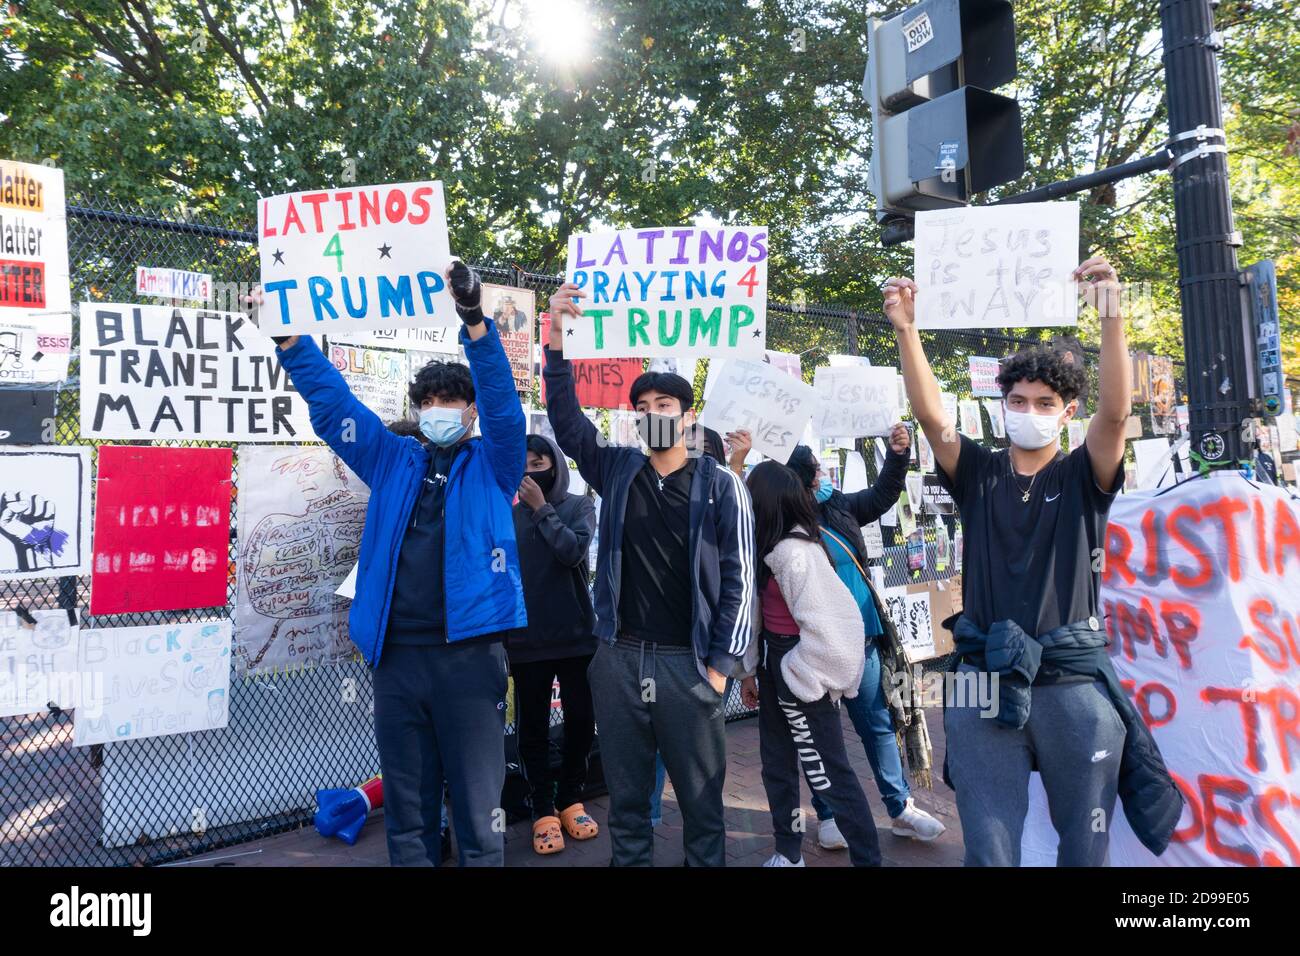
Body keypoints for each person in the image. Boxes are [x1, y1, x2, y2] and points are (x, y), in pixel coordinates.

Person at [883, 258, 1182, 866]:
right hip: (981, 682)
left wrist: (1111, 310)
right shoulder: (978, 473)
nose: (1029, 409)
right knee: (988, 849)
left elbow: (1117, 415)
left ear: (1067, 411)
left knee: (1085, 847)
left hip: (1072, 683)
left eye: (1045, 401)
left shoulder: (1083, 475)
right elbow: (932, 417)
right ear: (1002, 403)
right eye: (1017, 399)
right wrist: (906, 329)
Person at [257, 262, 526, 867]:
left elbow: (507, 407)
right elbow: (334, 410)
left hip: (470, 659)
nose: (437, 409)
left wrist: (473, 321)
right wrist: (291, 342)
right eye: (427, 400)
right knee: (408, 816)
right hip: (397, 660)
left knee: (483, 819)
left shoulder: (496, 462)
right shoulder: (391, 459)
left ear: (470, 411)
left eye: (450, 400)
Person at [543, 280, 755, 867]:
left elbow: (739, 581)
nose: (652, 414)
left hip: (686, 664)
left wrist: (719, 670)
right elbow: (567, 421)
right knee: (627, 804)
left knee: (702, 808)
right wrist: (556, 338)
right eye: (642, 407)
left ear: (686, 417)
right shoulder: (616, 469)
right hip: (617, 658)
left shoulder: (720, 484)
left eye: (664, 406)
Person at [780, 429, 945, 848]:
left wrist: (898, 454)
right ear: (804, 478)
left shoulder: (839, 506)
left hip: (865, 640)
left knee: (877, 725)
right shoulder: (779, 523)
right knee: (822, 737)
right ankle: (829, 816)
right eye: (816, 469)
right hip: (814, 648)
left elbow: (883, 494)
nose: (823, 473)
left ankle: (901, 808)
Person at [738, 461, 882, 867]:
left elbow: (838, 627)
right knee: (778, 767)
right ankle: (788, 851)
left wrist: (797, 674)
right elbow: (757, 619)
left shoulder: (797, 553)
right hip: (775, 663)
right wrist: (752, 671)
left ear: (766, 503)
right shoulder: (769, 549)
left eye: (751, 496)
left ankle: (868, 860)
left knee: (829, 775)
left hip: (798, 668)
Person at [509, 433, 600, 855]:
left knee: (582, 720)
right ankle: (542, 807)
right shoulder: (505, 511)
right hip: (526, 637)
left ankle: (570, 797)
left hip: (577, 634)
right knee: (533, 726)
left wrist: (541, 509)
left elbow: (571, 552)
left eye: (539, 462)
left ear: (555, 465)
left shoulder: (578, 505)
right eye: (523, 463)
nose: (531, 471)